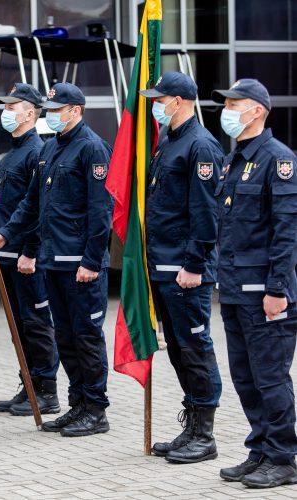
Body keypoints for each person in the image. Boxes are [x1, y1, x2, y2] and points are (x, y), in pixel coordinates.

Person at [0, 82, 113, 437]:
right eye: (50, 110)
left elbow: (101, 211)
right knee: (67, 338)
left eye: (57, 111)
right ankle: (77, 406)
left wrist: (91, 260)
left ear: (76, 111)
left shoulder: (92, 149)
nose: (52, 116)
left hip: (80, 265)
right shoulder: (52, 150)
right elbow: (32, 204)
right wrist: (7, 233)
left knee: (86, 337)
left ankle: (96, 409)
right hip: (53, 260)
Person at [211, 79, 297, 488]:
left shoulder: (278, 159)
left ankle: (283, 458)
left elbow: (286, 232)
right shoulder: (235, 160)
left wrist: (277, 290)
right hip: (233, 290)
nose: (227, 110)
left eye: (234, 103)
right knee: (245, 378)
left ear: (257, 110)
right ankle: (260, 449)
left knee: (270, 377)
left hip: (265, 293)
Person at [140, 72, 223, 463]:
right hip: (163, 265)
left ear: (180, 101)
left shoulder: (201, 146)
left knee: (194, 348)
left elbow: (206, 215)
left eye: (160, 99)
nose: (156, 105)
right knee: (177, 348)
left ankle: (205, 435)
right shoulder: (169, 142)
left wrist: (194, 264)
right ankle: (191, 424)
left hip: (185, 270)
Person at [0, 83, 60, 416]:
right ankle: (28, 385)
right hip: (6, 254)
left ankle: (47, 390)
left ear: (30, 113)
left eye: (11, 106)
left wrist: (30, 251)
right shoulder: (12, 153)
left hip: (26, 258)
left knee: (35, 323)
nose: (6, 112)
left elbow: (38, 209)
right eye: (4, 107)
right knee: (19, 325)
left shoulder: (38, 151)